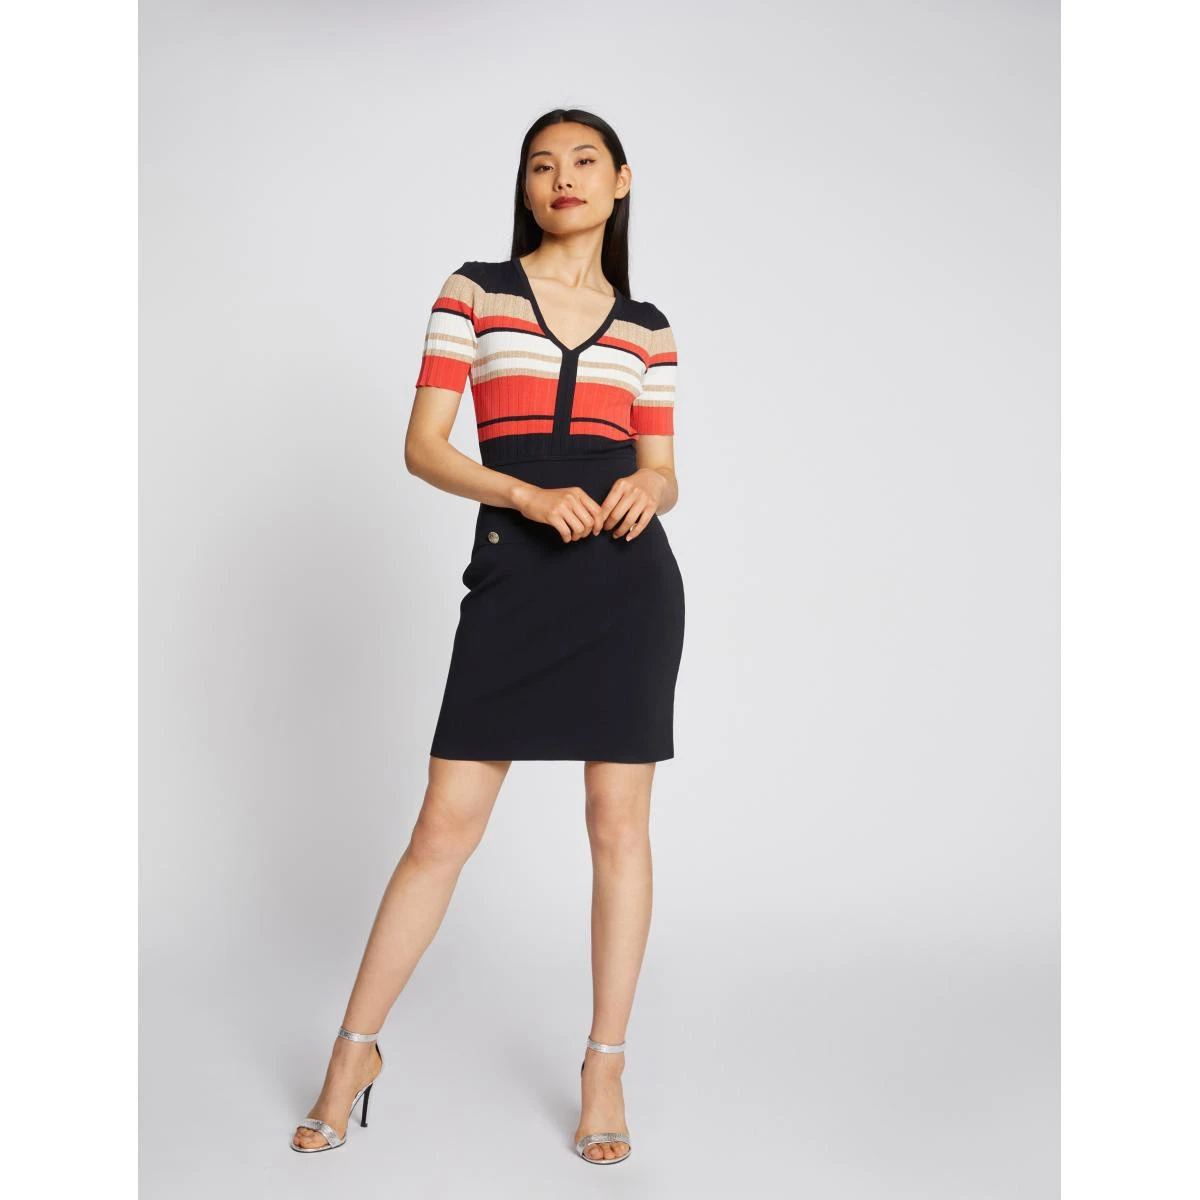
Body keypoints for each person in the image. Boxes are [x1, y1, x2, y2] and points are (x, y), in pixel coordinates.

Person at [291, 107, 685, 1165]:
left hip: (628, 588)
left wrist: (647, 490)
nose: (563, 178)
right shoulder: (474, 292)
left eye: (584, 161)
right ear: (525, 186)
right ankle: (354, 1052)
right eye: (542, 165)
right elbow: (424, 446)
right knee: (443, 829)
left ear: (621, 180)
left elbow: (664, 469)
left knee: (618, 827)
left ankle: (604, 1066)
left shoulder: (647, 326)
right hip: (517, 576)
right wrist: (522, 491)